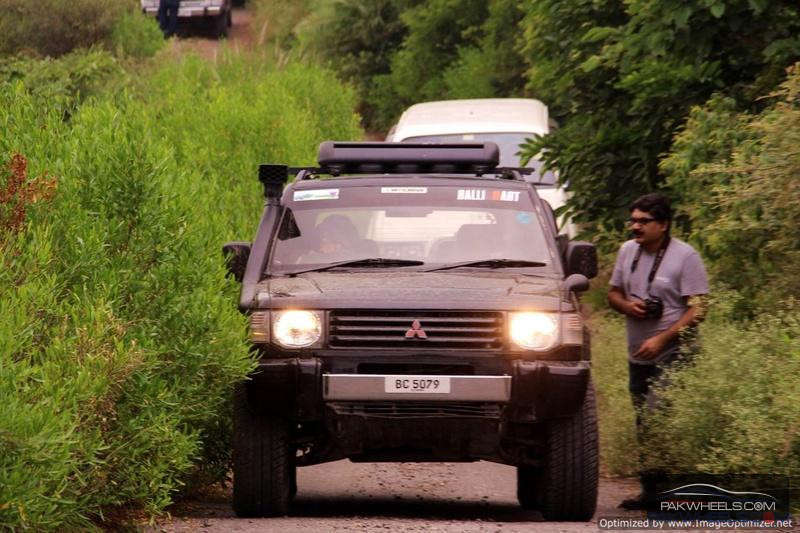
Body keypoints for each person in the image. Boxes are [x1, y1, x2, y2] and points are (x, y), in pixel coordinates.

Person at [607, 193, 709, 510]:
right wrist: (627, 305)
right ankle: (652, 494)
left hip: (673, 351)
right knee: (644, 422)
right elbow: (613, 294)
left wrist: (662, 339)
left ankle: (674, 492)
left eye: (643, 221)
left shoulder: (685, 256)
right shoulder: (627, 251)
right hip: (638, 353)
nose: (635, 227)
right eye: (633, 220)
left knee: (657, 414)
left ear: (663, 225)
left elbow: (699, 308)